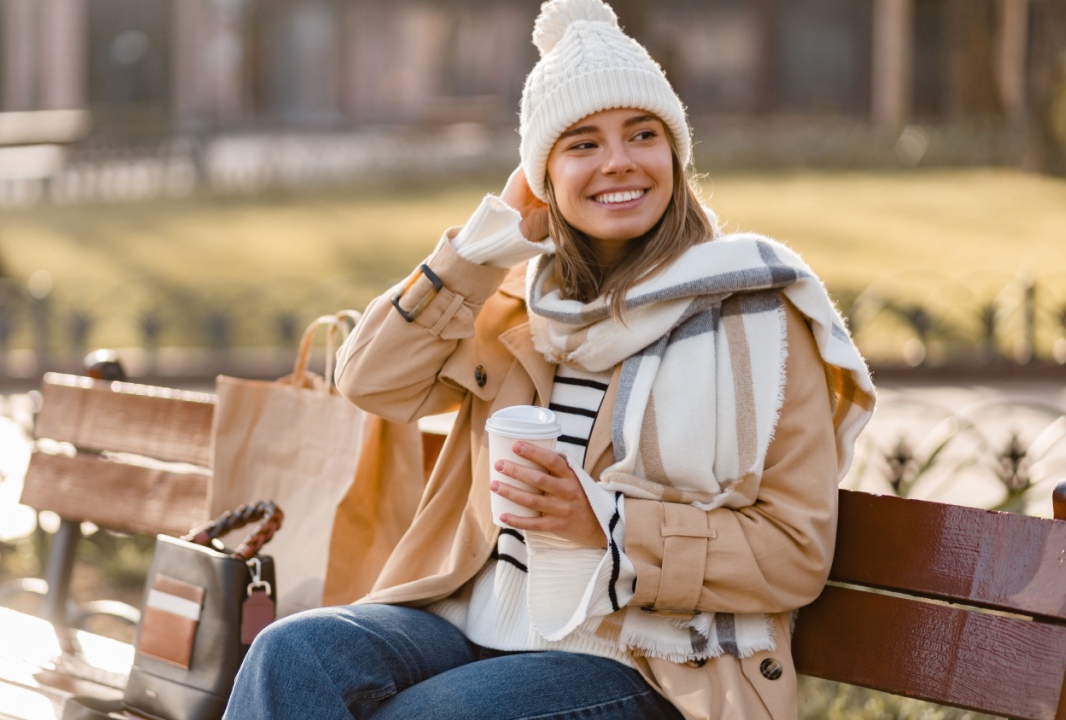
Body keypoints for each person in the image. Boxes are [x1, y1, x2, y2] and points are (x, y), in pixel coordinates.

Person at [223, 0, 876, 717]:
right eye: (582, 144)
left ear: (676, 154)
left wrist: (607, 525)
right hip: (470, 623)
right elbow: (369, 380)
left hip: (646, 655)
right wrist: (481, 248)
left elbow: (794, 552)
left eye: (642, 134)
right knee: (291, 653)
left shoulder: (759, 315)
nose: (619, 161)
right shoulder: (515, 304)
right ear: (542, 177)